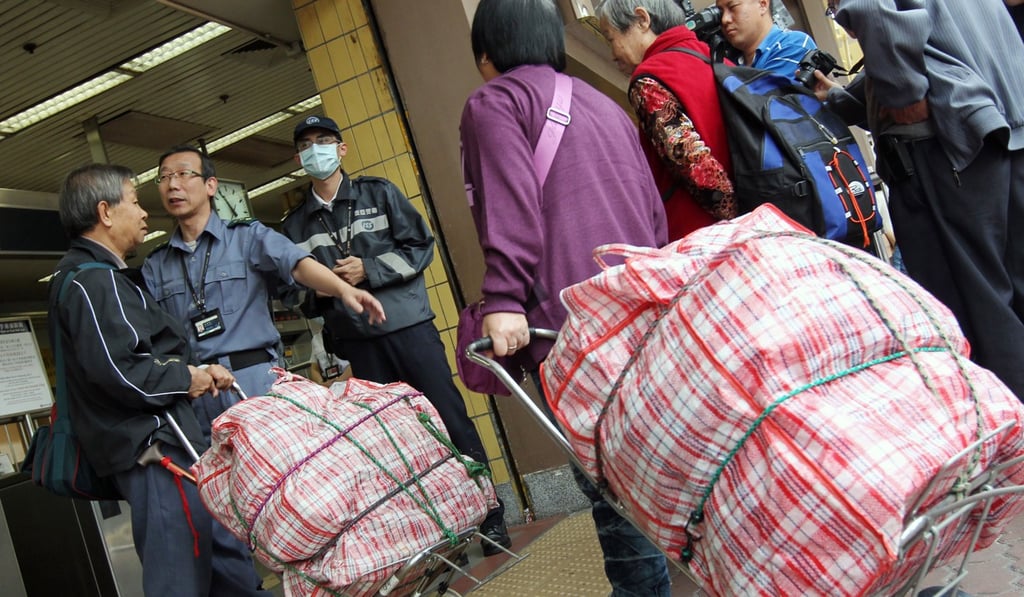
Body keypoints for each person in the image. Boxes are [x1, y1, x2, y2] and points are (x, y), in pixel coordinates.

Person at [461, 0, 670, 594]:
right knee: (656, 472)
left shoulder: (495, 101)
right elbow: (652, 215)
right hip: (640, 310)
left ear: (487, 53)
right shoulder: (605, 106)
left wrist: (503, 296)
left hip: (567, 324)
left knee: (608, 488)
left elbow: (510, 204)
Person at [278, 115, 511, 555]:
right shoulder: (294, 226)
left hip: (409, 329)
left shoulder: (378, 192)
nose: (316, 150)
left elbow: (421, 248)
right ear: (298, 158)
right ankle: (439, 529)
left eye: (324, 141)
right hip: (357, 343)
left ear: (341, 148)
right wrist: (328, 285)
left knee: (447, 417)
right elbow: (294, 295)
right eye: (306, 144)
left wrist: (370, 269)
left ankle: (491, 514)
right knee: (396, 440)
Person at [51, 163, 269, 595]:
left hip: (170, 445)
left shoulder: (101, 279)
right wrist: (187, 376)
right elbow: (120, 371)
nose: (144, 213)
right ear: (105, 212)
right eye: (134, 201)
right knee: (178, 571)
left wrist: (198, 372)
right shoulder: (93, 282)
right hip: (154, 450)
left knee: (224, 558)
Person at [825, 0, 1024, 401]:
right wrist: (849, 99)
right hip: (1002, 115)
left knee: (980, 313)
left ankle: (1014, 447)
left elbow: (872, 10)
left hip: (949, 137)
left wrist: (903, 94)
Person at [142, 144, 384, 438]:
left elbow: (296, 263)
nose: (173, 185)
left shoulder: (247, 237)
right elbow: (155, 335)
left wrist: (342, 289)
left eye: (183, 174)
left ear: (210, 185)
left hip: (254, 381)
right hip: (198, 392)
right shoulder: (156, 264)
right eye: (164, 178)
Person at [596, 0, 735, 241]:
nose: (612, 54)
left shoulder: (648, 80)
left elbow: (693, 163)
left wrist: (735, 217)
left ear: (642, 19)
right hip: (754, 226)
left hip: (703, 239)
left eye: (611, 38)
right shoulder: (717, 61)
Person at [717, 0, 817, 82]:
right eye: (720, 13)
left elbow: (766, 102)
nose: (724, 19)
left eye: (733, 7)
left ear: (762, 4)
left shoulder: (793, 44)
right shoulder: (730, 63)